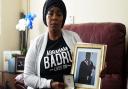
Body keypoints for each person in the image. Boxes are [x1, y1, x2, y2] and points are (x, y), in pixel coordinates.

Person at [24, 0, 81, 89]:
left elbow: (86, 57)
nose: (54, 17)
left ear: (63, 18)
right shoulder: (36, 43)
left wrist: (99, 67)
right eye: (50, 13)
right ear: (45, 17)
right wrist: (49, 84)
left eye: (59, 14)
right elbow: (27, 77)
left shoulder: (74, 37)